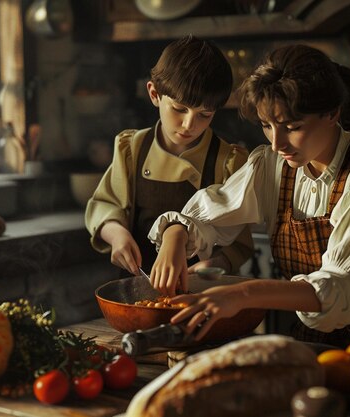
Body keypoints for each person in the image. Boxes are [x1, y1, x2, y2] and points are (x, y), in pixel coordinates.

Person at [148, 44, 350, 348]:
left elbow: (339, 283)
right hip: (314, 341)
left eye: (292, 127)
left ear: (332, 113)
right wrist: (175, 236)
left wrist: (242, 294)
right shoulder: (271, 165)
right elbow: (211, 212)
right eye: (266, 126)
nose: (276, 143)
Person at [85, 35, 254, 278]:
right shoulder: (132, 149)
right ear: (154, 94)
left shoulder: (227, 161)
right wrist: (116, 234)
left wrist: (218, 264)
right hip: (138, 285)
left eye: (204, 114)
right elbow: (105, 204)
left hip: (201, 292)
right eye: (179, 109)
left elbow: (240, 240)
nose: (189, 124)